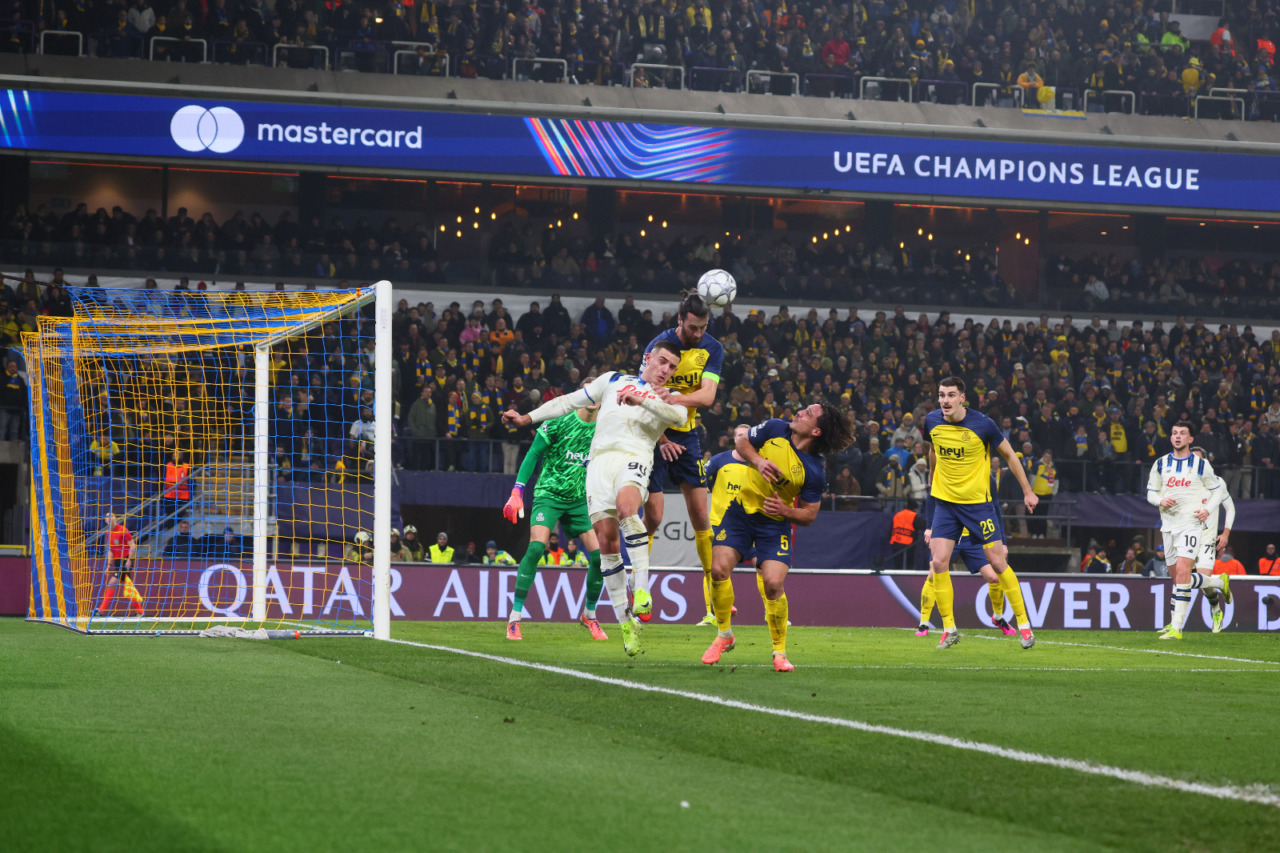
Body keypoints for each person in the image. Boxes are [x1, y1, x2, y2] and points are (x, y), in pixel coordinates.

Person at [502, 339, 686, 656]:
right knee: (607, 545)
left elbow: (678, 416)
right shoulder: (612, 381)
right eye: (663, 361)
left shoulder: (670, 396)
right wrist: (526, 418)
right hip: (592, 471)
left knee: (628, 508)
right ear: (648, 358)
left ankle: (641, 589)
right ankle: (624, 622)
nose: (666, 370)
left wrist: (643, 400)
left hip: (633, 459)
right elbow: (566, 402)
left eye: (673, 367)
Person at [701, 403, 854, 672]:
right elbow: (742, 442)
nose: (800, 412)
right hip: (739, 513)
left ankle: (779, 652)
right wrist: (758, 460)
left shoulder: (814, 470)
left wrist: (785, 511)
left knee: (772, 584)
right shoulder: (774, 428)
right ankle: (724, 635)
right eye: (804, 408)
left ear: (816, 431)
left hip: (773, 524)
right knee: (718, 569)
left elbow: (809, 514)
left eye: (809, 413)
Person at [922, 376, 1039, 650]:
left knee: (997, 563)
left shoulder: (983, 424)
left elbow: (1010, 455)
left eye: (951, 395)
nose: (945, 400)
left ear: (962, 398)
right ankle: (950, 629)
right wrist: (932, 474)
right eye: (941, 395)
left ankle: (1024, 625)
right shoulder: (931, 421)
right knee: (938, 562)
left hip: (978, 505)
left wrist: (1028, 491)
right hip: (945, 504)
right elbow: (933, 449)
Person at [642, 291, 724, 627]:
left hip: (687, 435)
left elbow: (707, 396)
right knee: (654, 518)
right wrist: (662, 439)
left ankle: (713, 605)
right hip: (653, 434)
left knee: (701, 516)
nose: (698, 333)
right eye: (693, 327)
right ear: (680, 320)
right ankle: (640, 592)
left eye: (703, 327)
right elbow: (643, 391)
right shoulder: (658, 346)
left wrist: (674, 398)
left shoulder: (713, 348)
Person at [500, 397, 608, 641]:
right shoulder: (559, 420)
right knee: (536, 548)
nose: (593, 399)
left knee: (600, 557)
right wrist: (517, 491)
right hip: (548, 495)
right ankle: (514, 618)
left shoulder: (604, 426)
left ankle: (589, 615)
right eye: (589, 393)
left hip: (578, 499)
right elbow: (533, 453)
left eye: (598, 395)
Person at [916, 461, 1033, 640]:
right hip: (949, 535)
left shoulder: (987, 479)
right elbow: (933, 499)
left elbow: (995, 508)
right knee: (934, 572)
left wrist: (1002, 541)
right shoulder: (948, 471)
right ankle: (924, 623)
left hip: (973, 539)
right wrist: (929, 527)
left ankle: (998, 617)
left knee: (994, 577)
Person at [1146, 422, 1231, 640]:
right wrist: (1160, 500)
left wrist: (1207, 510)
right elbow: (1151, 493)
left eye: (1182, 433)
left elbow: (1218, 492)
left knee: (1184, 573)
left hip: (1192, 525)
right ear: (1170, 437)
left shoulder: (1201, 465)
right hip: (1168, 526)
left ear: (1190, 439)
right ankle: (1219, 583)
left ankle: (1177, 628)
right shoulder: (1160, 463)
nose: (1177, 436)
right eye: (1174, 433)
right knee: (1178, 579)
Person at [1190, 445, 1235, 632]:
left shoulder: (1217, 482)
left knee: (1201, 579)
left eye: (1198, 459)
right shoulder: (1185, 483)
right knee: (1185, 580)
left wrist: (1225, 533)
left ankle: (1215, 611)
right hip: (1187, 537)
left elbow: (1230, 508)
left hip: (1207, 539)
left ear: (1206, 461)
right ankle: (1220, 585)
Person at [94, 513, 145, 617]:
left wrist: (129, 560)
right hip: (117, 562)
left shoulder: (123, 530)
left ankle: (101, 610)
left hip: (125, 560)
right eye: (107, 517)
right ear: (105, 521)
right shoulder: (108, 533)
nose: (109, 519)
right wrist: (108, 565)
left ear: (115, 518)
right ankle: (140, 610)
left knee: (112, 582)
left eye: (111, 516)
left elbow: (133, 546)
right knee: (127, 585)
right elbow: (110, 550)